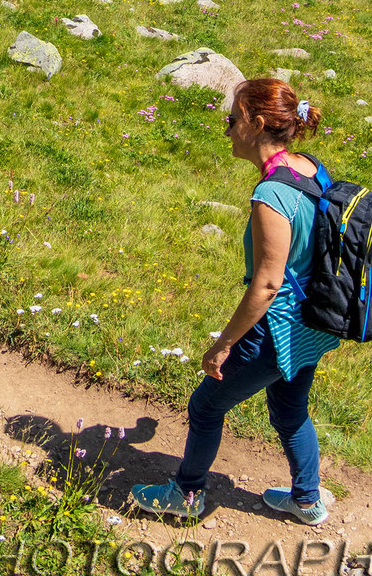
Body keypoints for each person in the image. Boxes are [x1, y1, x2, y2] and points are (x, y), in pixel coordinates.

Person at [130, 75, 338, 526]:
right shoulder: (309, 168)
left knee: (206, 405)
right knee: (290, 411)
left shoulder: (271, 195)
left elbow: (266, 285)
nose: (227, 130)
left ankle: (186, 494)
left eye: (232, 120)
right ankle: (307, 500)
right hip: (311, 323)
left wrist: (223, 344)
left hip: (275, 328)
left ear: (257, 124)